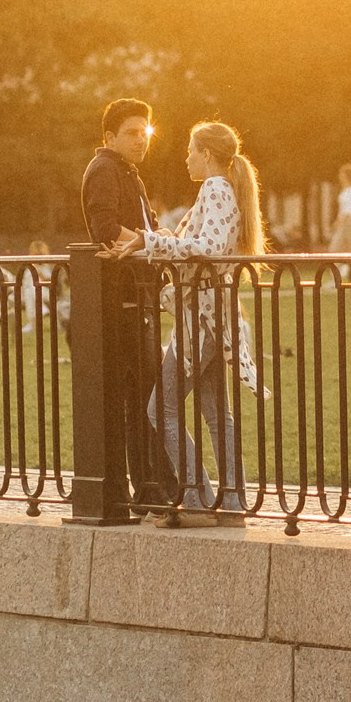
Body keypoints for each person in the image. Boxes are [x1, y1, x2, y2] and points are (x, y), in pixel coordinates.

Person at [134, 121, 262, 527]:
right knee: (213, 411)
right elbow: (208, 244)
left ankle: (195, 497)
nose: (186, 157)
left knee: (161, 408)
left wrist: (149, 242)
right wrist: (164, 238)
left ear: (207, 154)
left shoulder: (216, 188)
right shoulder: (224, 190)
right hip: (213, 316)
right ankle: (231, 503)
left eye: (191, 150)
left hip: (203, 320)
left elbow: (206, 249)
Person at [81, 97, 175, 513]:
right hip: (121, 302)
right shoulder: (104, 171)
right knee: (140, 395)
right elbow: (104, 231)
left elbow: (141, 230)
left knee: (146, 394)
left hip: (137, 298)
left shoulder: (126, 173)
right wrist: (151, 244)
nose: (142, 140)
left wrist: (158, 238)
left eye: (146, 132)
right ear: (109, 137)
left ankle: (151, 484)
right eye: (133, 133)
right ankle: (148, 486)